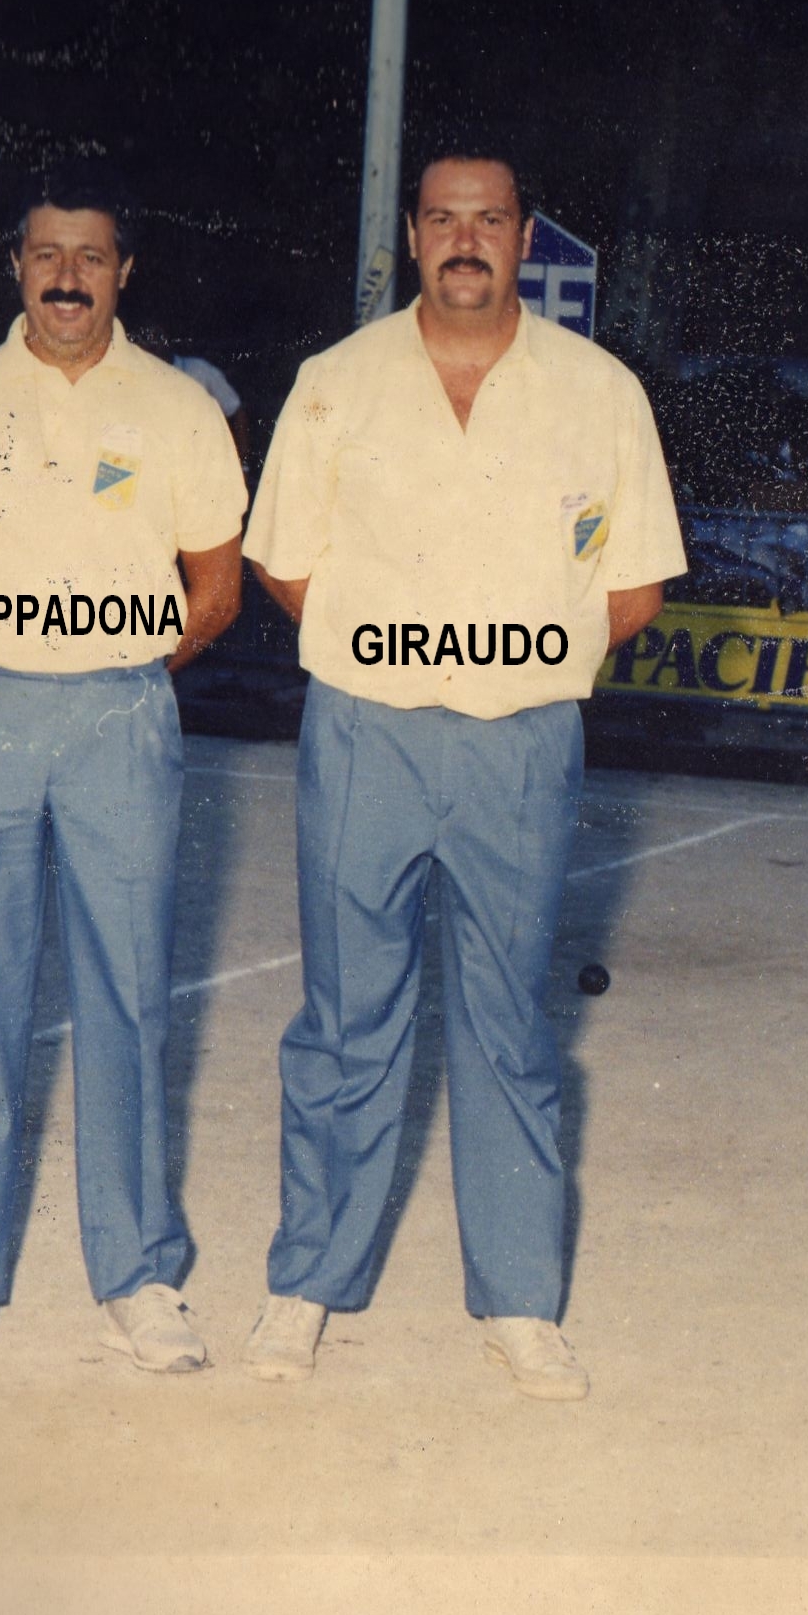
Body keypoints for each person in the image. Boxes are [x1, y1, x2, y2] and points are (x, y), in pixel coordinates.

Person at [238, 150, 685, 1403]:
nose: (466, 240)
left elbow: (636, 582)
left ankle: (520, 1304)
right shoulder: (335, 383)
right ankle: (305, 1289)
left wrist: (501, 659)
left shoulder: (598, 391)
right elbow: (284, 562)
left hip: (519, 740)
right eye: (444, 219)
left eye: (490, 219)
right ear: (413, 235)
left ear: (523, 234)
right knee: (344, 1019)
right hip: (366, 730)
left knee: (508, 1020)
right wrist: (397, 648)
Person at [0, 170, 247, 1374]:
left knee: (128, 991)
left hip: (123, 717)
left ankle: (136, 1276)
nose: (67, 277)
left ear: (123, 272)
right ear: (15, 266)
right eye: (44, 255)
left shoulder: (179, 409)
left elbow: (215, 588)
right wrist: (27, 646)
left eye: (90, 256)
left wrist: (111, 657)